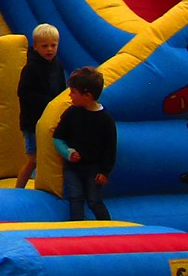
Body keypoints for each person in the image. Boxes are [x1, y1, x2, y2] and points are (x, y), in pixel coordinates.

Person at [50, 67, 115, 220]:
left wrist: (105, 171)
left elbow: (110, 148)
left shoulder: (105, 119)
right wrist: (68, 153)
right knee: (75, 197)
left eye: (73, 92)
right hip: (73, 168)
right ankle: (77, 226)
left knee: (94, 200)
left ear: (87, 96)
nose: (70, 95)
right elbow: (57, 137)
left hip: (94, 168)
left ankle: (108, 225)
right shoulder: (71, 113)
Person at [14, 24, 68, 188]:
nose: (49, 49)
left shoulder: (57, 65)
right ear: (36, 46)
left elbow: (62, 88)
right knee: (34, 159)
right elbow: (23, 92)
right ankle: (18, 189)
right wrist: (49, 102)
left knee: (48, 158)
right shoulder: (31, 67)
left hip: (50, 119)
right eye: (45, 46)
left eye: (53, 45)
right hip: (33, 121)